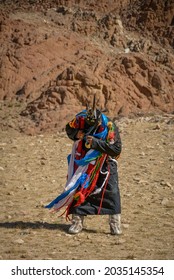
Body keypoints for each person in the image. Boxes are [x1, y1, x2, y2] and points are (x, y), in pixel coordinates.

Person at [46, 100, 122, 235]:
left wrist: (97, 143)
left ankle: (115, 224)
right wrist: (77, 134)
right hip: (83, 163)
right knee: (80, 189)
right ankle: (77, 222)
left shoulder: (109, 126)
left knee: (112, 192)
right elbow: (69, 129)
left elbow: (116, 149)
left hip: (105, 163)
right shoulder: (80, 119)